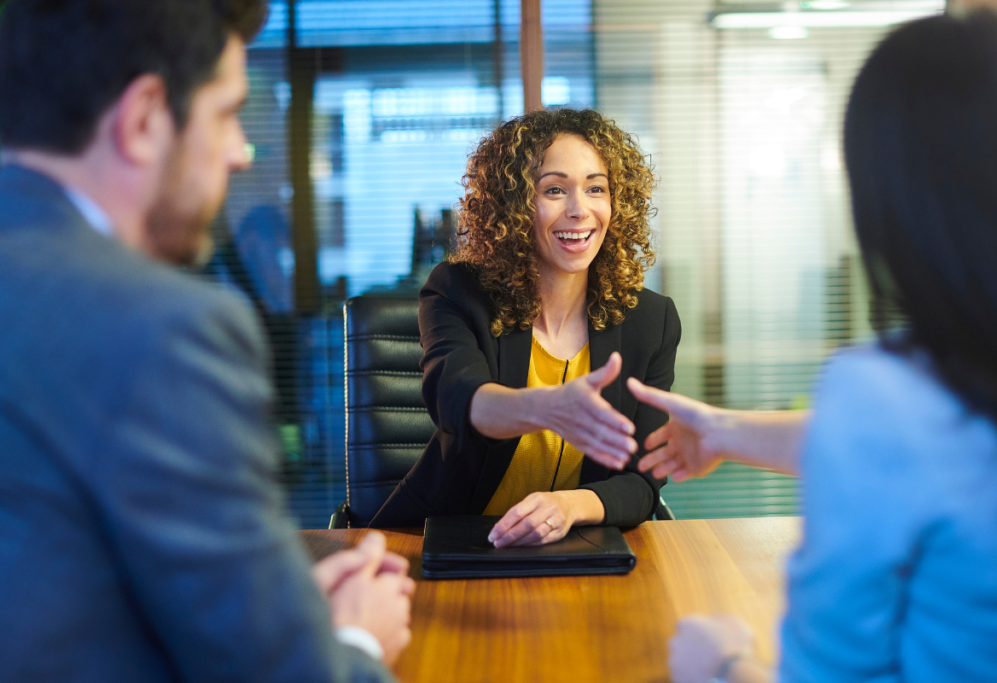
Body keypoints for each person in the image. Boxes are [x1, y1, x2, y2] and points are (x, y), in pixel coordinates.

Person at [0, 1, 412, 681]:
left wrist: (268, 600)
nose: (240, 151)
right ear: (143, 120)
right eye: (226, 113)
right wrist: (354, 642)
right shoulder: (157, 328)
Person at [627, 9, 997, 683]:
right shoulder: (956, 385)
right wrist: (724, 429)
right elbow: (941, 444)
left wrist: (721, 662)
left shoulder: (883, 395)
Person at [371, 108, 681, 547]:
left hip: (577, 545)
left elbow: (643, 482)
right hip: (447, 538)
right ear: (514, 206)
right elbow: (457, 401)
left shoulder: (650, 321)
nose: (580, 210)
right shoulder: (457, 293)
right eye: (554, 189)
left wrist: (569, 506)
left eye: (596, 189)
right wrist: (545, 408)